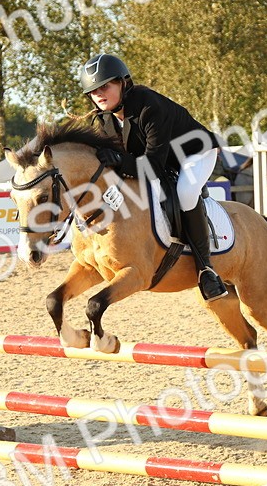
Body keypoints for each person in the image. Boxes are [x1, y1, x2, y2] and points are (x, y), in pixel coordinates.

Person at [79, 53, 228, 302]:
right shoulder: (104, 120)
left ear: (123, 83)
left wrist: (119, 161)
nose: (99, 94)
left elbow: (153, 166)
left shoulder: (149, 106)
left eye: (105, 86)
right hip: (159, 159)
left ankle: (206, 269)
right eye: (93, 91)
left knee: (185, 193)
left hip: (194, 152)